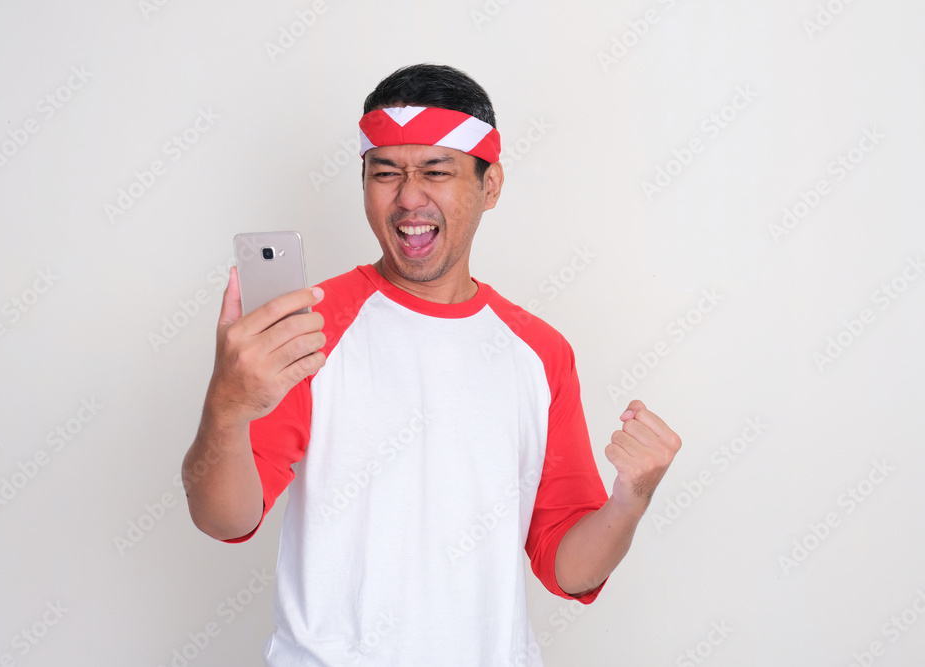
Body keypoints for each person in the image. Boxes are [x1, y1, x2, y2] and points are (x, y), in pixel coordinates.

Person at [182, 63, 681, 666]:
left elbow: (567, 568)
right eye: (385, 173)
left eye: (436, 172)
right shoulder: (312, 327)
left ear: (490, 185)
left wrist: (631, 499)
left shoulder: (540, 352)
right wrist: (227, 406)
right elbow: (224, 516)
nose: (408, 197)